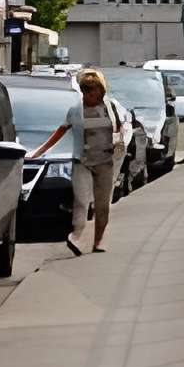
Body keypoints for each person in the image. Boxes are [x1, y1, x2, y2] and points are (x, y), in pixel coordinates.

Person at [68, 67, 123, 256]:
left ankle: (98, 241)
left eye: (94, 90)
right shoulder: (76, 110)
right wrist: (40, 151)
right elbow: (61, 130)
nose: (91, 94)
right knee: (82, 201)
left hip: (105, 161)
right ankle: (75, 236)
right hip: (82, 161)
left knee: (102, 205)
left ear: (101, 90)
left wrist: (119, 148)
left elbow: (120, 128)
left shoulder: (110, 107)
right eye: (87, 90)